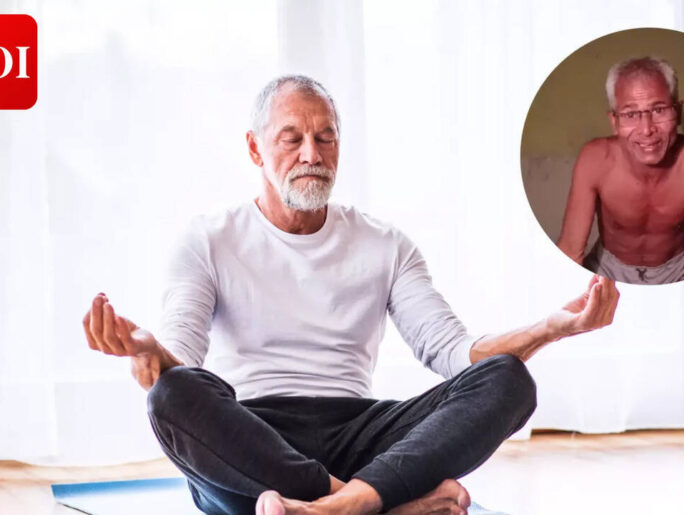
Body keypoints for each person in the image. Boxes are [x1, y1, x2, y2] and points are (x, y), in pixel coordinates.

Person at [82, 75, 620, 515]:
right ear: (255, 148)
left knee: (507, 379)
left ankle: (341, 503)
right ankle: (377, 504)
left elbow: (456, 356)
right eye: (292, 138)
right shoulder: (208, 239)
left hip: (362, 432)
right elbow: (183, 358)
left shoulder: (384, 244)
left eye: (326, 137)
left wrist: (554, 328)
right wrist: (151, 350)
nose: (312, 154)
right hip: (254, 440)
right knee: (173, 395)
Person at [557, 56, 684, 284]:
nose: (647, 129)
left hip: (680, 269)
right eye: (631, 114)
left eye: (659, 110)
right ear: (614, 121)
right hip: (608, 266)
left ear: (678, 112)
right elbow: (571, 251)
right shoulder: (596, 159)